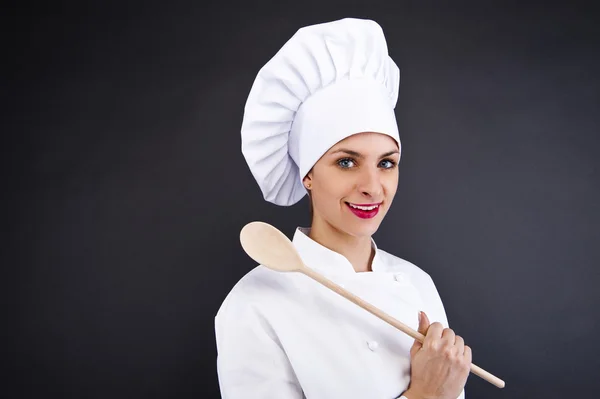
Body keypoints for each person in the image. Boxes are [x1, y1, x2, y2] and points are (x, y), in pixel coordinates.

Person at [215, 18, 471, 399]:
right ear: (308, 175)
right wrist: (426, 395)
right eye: (346, 162)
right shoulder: (254, 305)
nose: (371, 187)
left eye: (386, 163)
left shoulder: (418, 284)